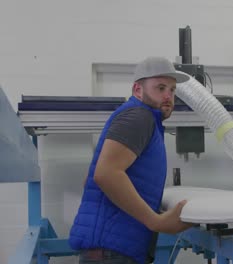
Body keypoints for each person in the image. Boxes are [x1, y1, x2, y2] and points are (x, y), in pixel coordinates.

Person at [69, 57, 192, 264]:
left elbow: (90, 179)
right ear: (137, 90)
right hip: (111, 255)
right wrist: (156, 221)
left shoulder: (141, 118)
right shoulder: (138, 117)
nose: (168, 96)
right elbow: (105, 175)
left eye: (172, 90)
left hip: (112, 251)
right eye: (160, 88)